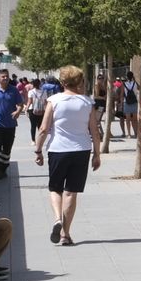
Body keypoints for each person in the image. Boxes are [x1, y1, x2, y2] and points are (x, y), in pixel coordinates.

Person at [33, 64, 102, 246]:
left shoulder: (54, 101)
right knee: (71, 192)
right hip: (81, 151)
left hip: (58, 150)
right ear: (79, 81)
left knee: (55, 188)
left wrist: (38, 150)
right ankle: (65, 234)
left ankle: (57, 219)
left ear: (62, 82)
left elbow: (44, 128)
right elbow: (94, 131)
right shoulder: (87, 102)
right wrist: (97, 154)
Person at [25, 75, 50, 142]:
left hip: (32, 110)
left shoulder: (31, 92)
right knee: (40, 126)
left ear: (33, 84)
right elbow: (45, 102)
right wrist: (47, 111)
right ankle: (40, 140)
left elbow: (29, 102)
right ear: (40, 84)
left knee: (33, 126)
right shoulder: (44, 92)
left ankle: (33, 141)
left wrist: (26, 109)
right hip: (41, 110)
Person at [122, 70, 141, 141]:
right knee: (135, 119)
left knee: (127, 119)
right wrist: (135, 80)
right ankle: (136, 133)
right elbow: (139, 88)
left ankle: (129, 134)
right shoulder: (135, 84)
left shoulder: (124, 84)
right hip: (134, 102)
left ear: (126, 77)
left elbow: (122, 94)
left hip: (126, 102)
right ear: (132, 76)